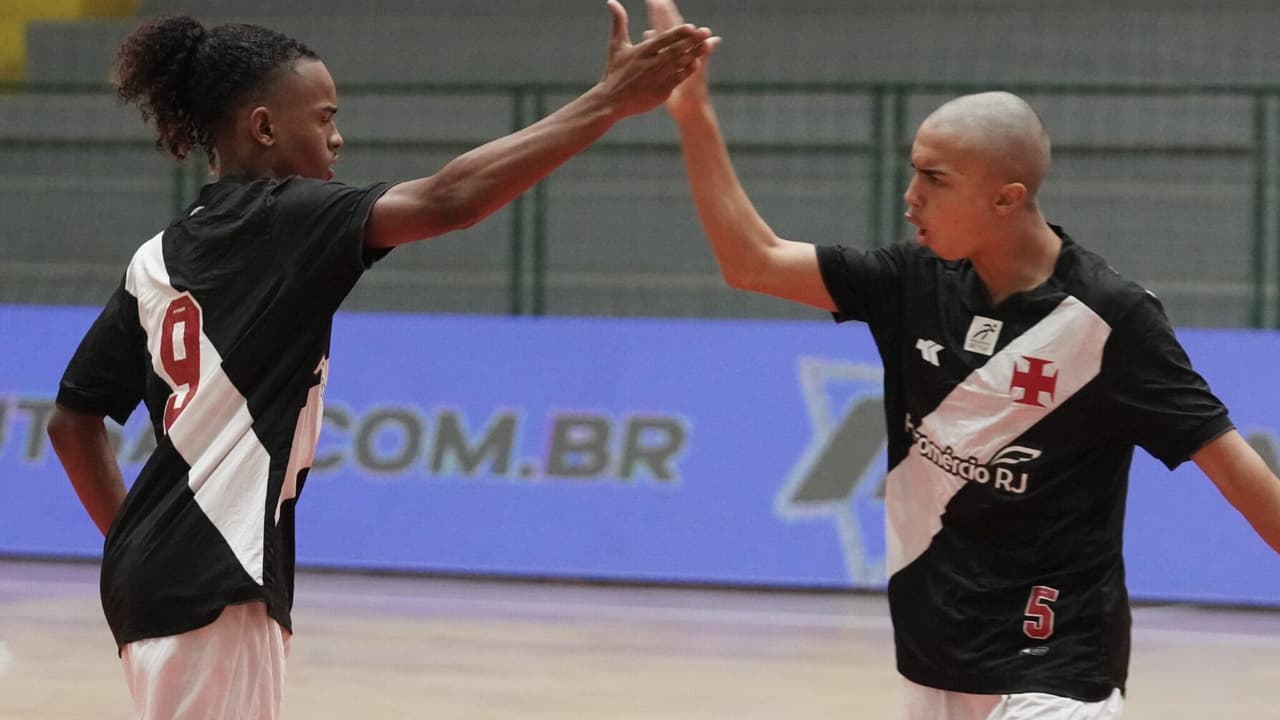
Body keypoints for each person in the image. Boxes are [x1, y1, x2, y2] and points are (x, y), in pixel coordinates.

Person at [45, 5, 714, 719]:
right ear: (264, 128)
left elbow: (71, 421)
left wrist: (138, 541)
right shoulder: (287, 218)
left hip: (158, 583)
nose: (338, 137)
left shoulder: (155, 258)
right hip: (214, 585)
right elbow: (452, 199)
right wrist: (608, 101)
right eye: (324, 118)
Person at [643, 1, 1280, 718]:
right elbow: (752, 261)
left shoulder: (1109, 320)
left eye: (935, 179)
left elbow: (1235, 469)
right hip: (934, 659)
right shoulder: (910, 282)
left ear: (1007, 198)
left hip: (1055, 667)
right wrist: (693, 116)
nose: (910, 197)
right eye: (913, 172)